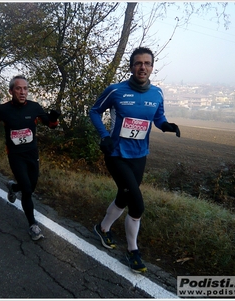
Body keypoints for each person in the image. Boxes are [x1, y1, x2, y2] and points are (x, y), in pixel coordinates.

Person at [89, 47, 180, 273]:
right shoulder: (116, 90)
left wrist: (166, 126)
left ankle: (102, 228)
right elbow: (94, 111)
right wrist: (103, 136)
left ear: (151, 67)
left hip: (140, 155)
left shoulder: (157, 93)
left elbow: (158, 118)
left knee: (124, 195)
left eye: (147, 63)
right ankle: (132, 250)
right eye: (138, 63)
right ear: (131, 67)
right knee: (136, 203)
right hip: (116, 154)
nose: (143, 67)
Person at [0, 75, 60, 241]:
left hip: (32, 154)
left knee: (30, 187)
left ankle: (13, 188)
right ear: (11, 91)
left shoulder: (34, 107)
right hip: (15, 155)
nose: (22, 92)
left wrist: (54, 118)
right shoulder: (3, 109)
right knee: (27, 190)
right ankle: (33, 225)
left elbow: (51, 125)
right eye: (18, 88)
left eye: (25, 88)